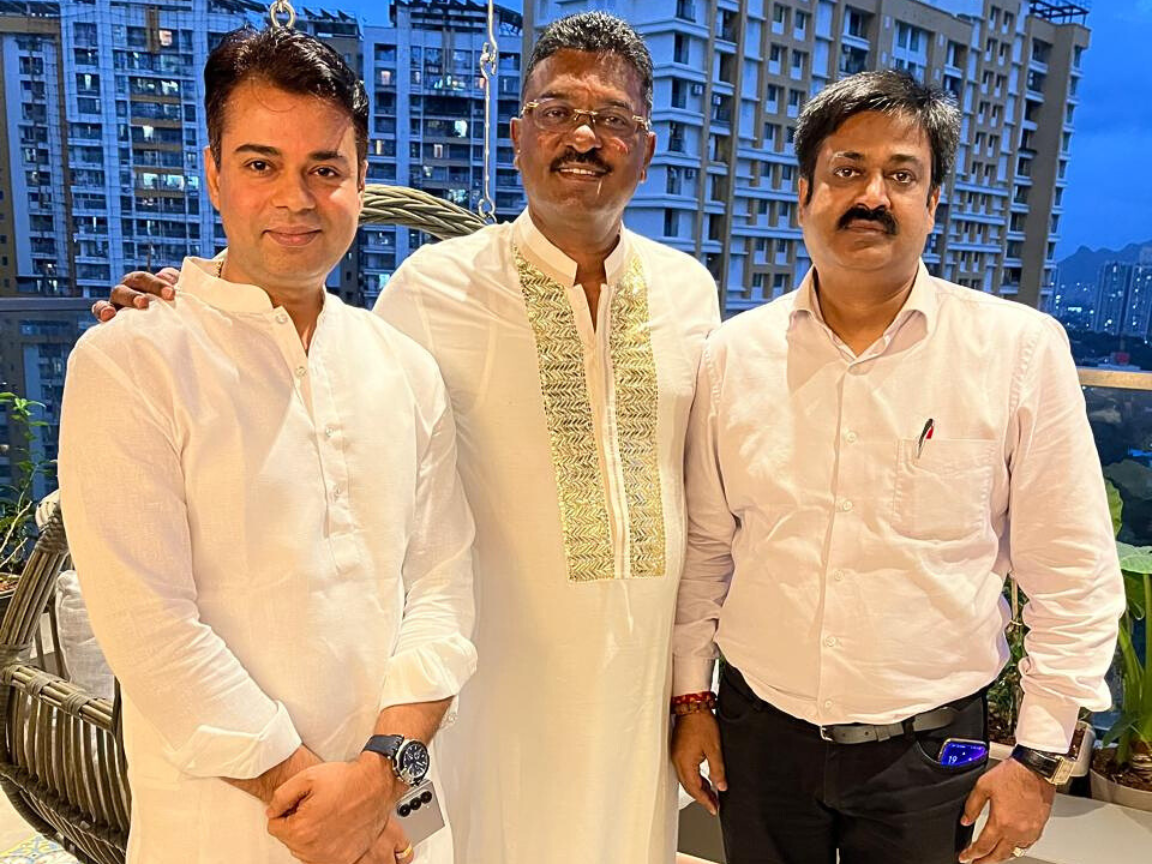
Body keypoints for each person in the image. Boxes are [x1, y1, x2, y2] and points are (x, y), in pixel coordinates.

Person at [96, 12, 718, 864]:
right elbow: (290, 364)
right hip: (488, 710)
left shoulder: (692, 294)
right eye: (556, 110)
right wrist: (181, 305)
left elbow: (707, 508)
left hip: (630, 702)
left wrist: (693, 697)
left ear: (646, 147)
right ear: (516, 133)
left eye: (612, 118)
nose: (583, 135)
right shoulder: (432, 289)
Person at [670, 69, 1125, 864]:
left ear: (933, 201)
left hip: (931, 754)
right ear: (806, 193)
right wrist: (692, 700)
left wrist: (1040, 759)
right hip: (759, 733)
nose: (872, 195)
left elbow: (1074, 575)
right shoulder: (730, 357)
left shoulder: (1016, 351)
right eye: (847, 171)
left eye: (901, 175)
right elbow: (708, 549)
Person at [60, 26, 476, 864]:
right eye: (260, 164)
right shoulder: (132, 359)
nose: (297, 195)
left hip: (398, 823)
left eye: (325, 168)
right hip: (222, 830)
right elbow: (149, 627)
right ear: (213, 173)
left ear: (361, 180)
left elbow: (441, 586)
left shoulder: (402, 366)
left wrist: (380, 775)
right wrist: (314, 803)